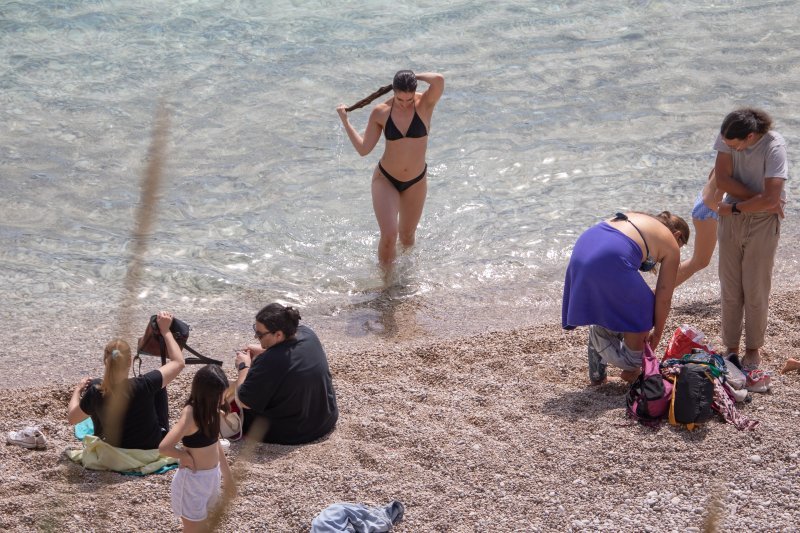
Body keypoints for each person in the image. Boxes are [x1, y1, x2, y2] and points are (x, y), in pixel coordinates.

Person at [562, 211, 689, 384]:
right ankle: (629, 367)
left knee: (626, 305)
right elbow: (664, 297)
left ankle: (598, 376)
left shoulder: (641, 219)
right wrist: (657, 333)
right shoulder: (670, 241)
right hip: (608, 259)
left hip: (583, 248)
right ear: (677, 235)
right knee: (646, 306)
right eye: (680, 246)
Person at [337, 70, 445, 271]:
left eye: (408, 99)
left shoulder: (424, 104)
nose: (404, 104)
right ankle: (386, 285)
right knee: (389, 236)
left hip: (416, 182)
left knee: (407, 237)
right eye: (399, 99)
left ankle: (404, 280)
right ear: (393, 92)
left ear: (415, 93)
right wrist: (346, 122)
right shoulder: (381, 112)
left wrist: (414, 75)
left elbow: (438, 80)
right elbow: (363, 149)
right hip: (386, 179)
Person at [712, 108, 788, 369]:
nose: (731, 149)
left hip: (761, 222)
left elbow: (771, 198)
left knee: (755, 288)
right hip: (732, 219)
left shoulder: (773, 145)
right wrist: (760, 201)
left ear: (751, 136)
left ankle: (753, 348)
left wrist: (739, 207)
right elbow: (722, 180)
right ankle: (731, 347)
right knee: (730, 287)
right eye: (727, 144)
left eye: (735, 146)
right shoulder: (727, 135)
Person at [67, 311, 185, 449]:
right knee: (159, 386)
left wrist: (77, 390)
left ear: (106, 361)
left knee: (94, 383)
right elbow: (179, 362)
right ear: (129, 361)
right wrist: (166, 331)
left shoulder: (95, 392)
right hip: (149, 446)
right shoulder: (144, 384)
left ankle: (100, 433)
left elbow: (72, 418)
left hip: (113, 446)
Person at [235, 303, 338, 444]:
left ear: (278, 334)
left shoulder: (270, 361)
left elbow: (243, 401)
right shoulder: (308, 334)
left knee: (232, 393)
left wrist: (243, 366)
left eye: (259, 334)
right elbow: (288, 355)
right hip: (325, 418)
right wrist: (263, 349)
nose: (255, 337)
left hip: (293, 432)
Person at [159, 365, 234, 532]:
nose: (224, 399)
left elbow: (215, 444)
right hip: (193, 481)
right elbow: (164, 447)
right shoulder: (190, 414)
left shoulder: (212, 409)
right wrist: (183, 456)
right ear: (208, 394)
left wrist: (227, 475)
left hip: (212, 477)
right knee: (194, 528)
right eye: (220, 395)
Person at [676, 170, 720, 286]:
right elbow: (710, 199)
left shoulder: (727, 152)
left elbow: (711, 175)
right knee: (699, 261)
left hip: (707, 202)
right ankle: (658, 292)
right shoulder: (735, 154)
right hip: (710, 209)